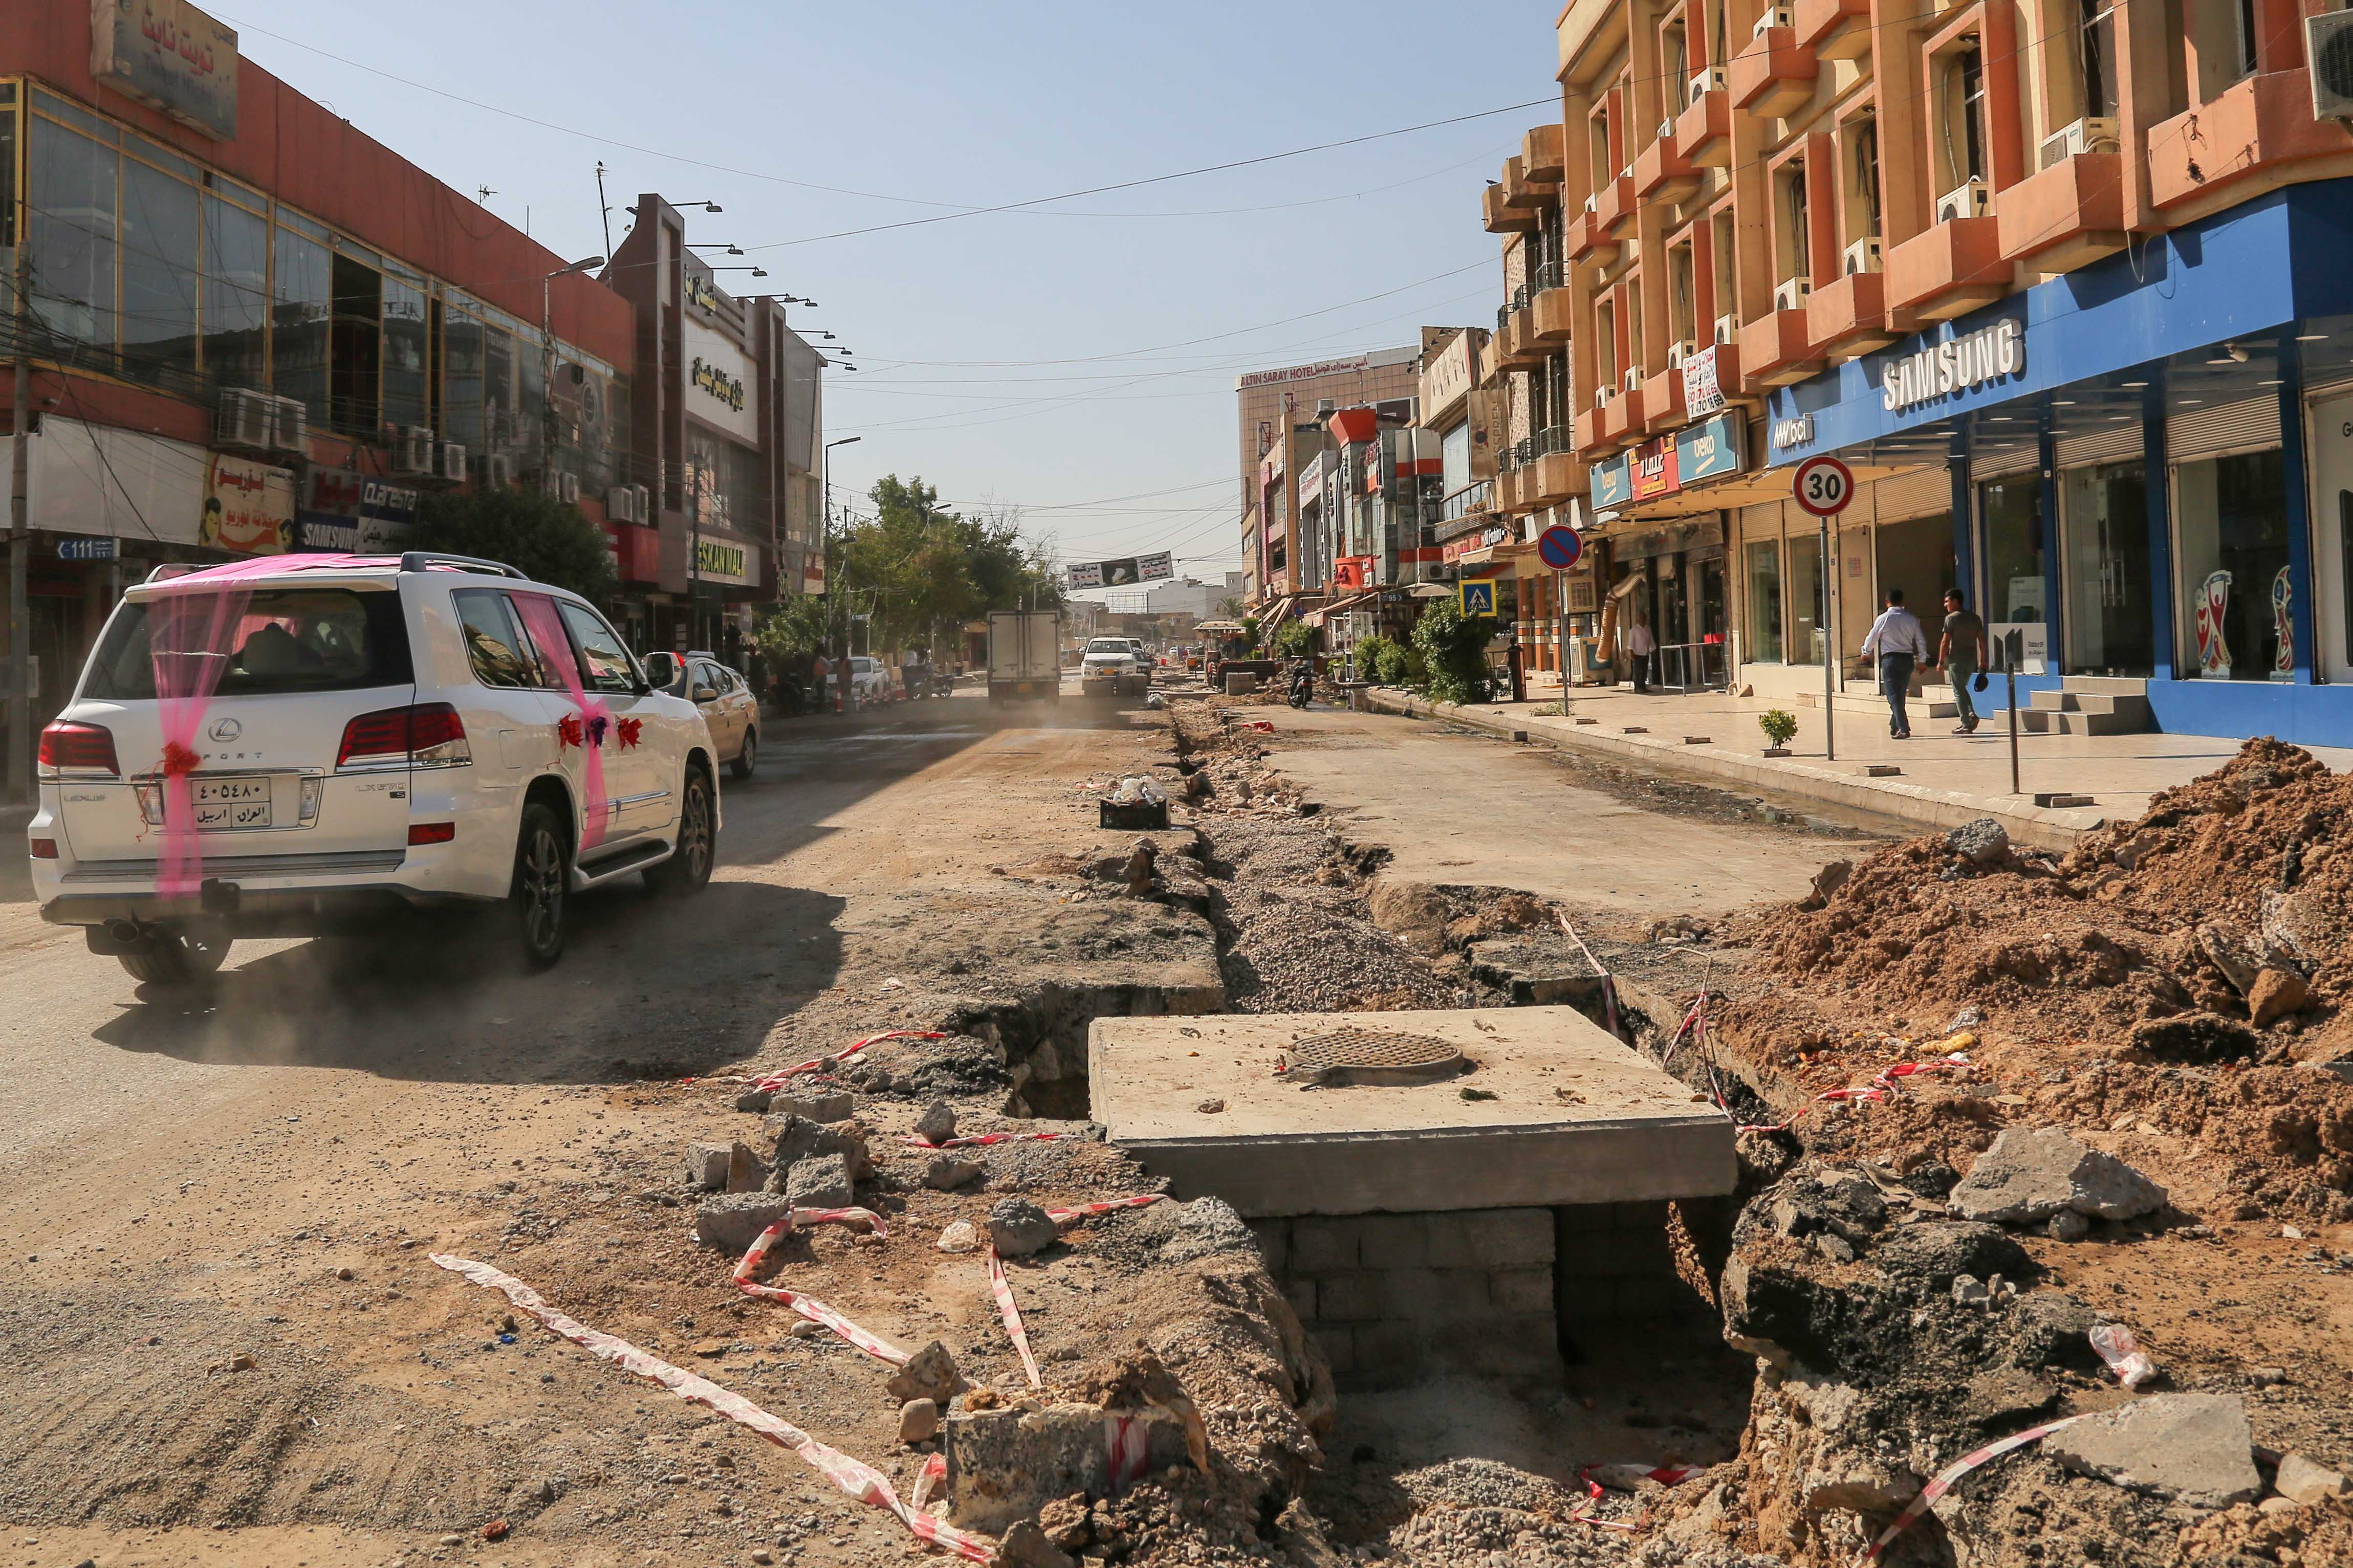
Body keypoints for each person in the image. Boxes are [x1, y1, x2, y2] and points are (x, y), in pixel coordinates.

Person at [1860, 587, 1930, 740]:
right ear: (1902, 601)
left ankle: (1904, 728)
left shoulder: (1883, 619)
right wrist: (1922, 660)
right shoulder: (1912, 619)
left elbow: (1872, 637)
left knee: (1893, 696)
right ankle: (1895, 725)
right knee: (1900, 695)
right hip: (1907, 660)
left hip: (1890, 660)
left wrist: (1866, 652)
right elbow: (1921, 641)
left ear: (1887, 602)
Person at [1937, 588, 1987, 735]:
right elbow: (1982, 641)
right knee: (1962, 688)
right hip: (1971, 661)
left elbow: (1945, 642)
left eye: (1947, 602)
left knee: (1958, 691)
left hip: (1956, 661)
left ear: (1955, 601)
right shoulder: (1975, 618)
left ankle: (1966, 724)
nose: (1945, 605)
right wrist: (1983, 660)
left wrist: (1941, 661)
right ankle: (1971, 714)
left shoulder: (1951, 619)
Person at [1624, 608, 1657, 694]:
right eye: (1641, 618)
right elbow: (1631, 644)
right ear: (1638, 619)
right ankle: (1638, 688)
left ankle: (1643, 687)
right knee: (1638, 672)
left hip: (1645, 654)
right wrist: (1632, 656)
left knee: (1644, 672)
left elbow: (1651, 641)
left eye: (1644, 618)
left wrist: (1654, 650)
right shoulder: (1634, 630)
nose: (1643, 620)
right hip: (1637, 654)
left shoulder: (1648, 629)